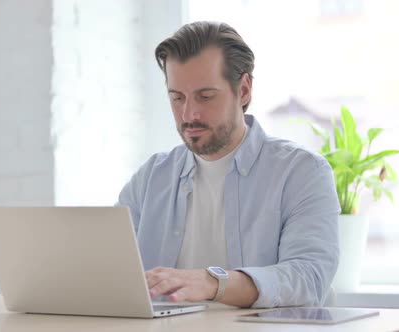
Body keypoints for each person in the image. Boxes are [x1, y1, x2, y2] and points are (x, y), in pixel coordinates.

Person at [117, 21, 340, 308]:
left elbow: (308, 278)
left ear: (244, 90)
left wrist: (213, 282)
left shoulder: (301, 173)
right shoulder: (151, 178)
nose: (189, 113)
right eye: (177, 98)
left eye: (205, 96)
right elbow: (110, 271)